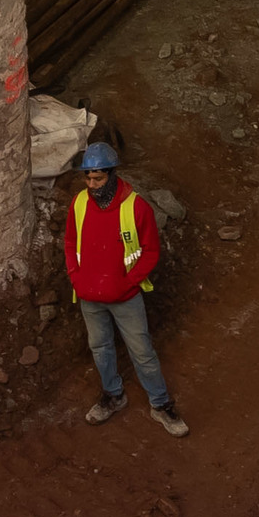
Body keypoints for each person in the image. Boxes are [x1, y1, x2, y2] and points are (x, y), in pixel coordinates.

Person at [64, 141, 186, 438]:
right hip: (90, 297)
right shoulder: (79, 203)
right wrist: (77, 279)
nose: (92, 185)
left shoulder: (136, 207)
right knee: (100, 347)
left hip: (126, 298)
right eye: (88, 178)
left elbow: (150, 251)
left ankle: (160, 405)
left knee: (142, 352)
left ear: (112, 175)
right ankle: (113, 396)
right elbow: (70, 244)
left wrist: (126, 282)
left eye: (98, 178)